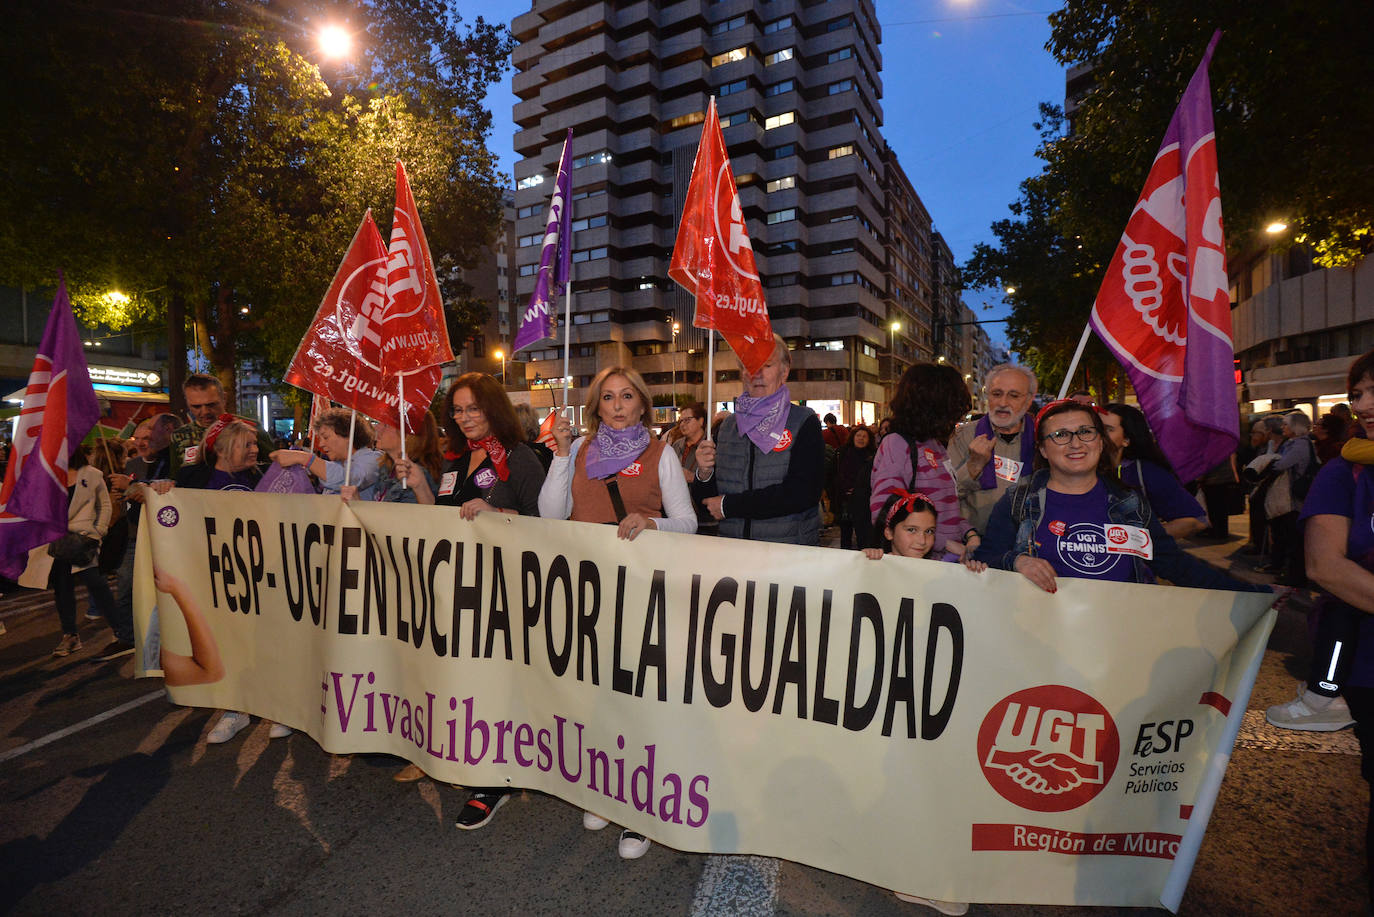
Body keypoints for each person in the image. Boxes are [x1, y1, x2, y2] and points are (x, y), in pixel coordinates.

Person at [542, 365, 695, 860]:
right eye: (608, 397)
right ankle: (605, 790)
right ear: (597, 407)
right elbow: (549, 514)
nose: (618, 404)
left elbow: (689, 523)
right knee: (597, 698)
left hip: (643, 593)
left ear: (642, 404)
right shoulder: (580, 451)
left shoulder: (661, 453)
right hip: (591, 593)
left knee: (639, 701)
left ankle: (641, 810)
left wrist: (651, 523)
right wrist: (562, 456)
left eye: (627, 395)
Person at [974, 399, 1270, 594]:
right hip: (1039, 641)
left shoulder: (1129, 503)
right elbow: (984, 560)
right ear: (1042, 449)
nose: (1075, 443)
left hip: (1117, 645)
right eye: (1060, 435)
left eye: (1086, 432)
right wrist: (1017, 562)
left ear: (1100, 443)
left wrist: (1253, 593)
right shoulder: (1018, 500)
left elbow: (1173, 564)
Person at [1298, 350, 1374, 910]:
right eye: (1360, 392)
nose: (1363, 405)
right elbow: (1325, 566)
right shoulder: (1342, 471)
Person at [173, 418, 291, 743]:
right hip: (215, 576)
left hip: (262, 573)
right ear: (222, 448)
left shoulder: (266, 477)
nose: (255, 450)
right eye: (247, 444)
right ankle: (234, 710)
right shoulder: (192, 478)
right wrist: (158, 493)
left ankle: (278, 707)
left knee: (267, 641)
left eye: (255, 444)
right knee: (227, 642)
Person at [691, 335, 824, 545]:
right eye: (749, 366)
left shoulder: (804, 422)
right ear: (742, 373)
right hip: (735, 554)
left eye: (767, 365)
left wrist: (730, 506)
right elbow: (708, 504)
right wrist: (704, 474)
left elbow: (802, 493)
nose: (757, 374)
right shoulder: (727, 427)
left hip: (787, 555)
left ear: (784, 372)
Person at [870, 362, 979, 559]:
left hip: (942, 562)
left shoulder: (935, 446)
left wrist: (967, 532)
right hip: (918, 565)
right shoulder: (897, 445)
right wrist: (945, 544)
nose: (956, 417)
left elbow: (945, 507)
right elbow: (886, 515)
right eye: (951, 407)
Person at [103, 412, 179, 659]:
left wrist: (134, 488)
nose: (143, 442)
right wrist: (121, 497)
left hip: (167, 539)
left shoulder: (171, 462)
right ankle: (126, 638)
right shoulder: (133, 465)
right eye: (139, 437)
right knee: (125, 588)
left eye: (149, 436)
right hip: (135, 536)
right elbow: (128, 500)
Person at [948, 364, 1039, 536]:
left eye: (1014, 396)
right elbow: (946, 495)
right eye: (997, 394)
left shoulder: (1041, 439)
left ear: (1028, 400)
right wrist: (973, 466)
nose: (1003, 403)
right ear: (987, 395)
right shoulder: (963, 436)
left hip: (1028, 546)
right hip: (975, 545)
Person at [1101, 403, 1207, 539]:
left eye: (1108, 429)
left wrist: (1138, 540)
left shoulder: (1146, 472)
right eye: (1095, 428)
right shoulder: (1074, 471)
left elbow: (1197, 521)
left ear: (1126, 439)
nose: (1099, 435)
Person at [49, 446, 117, 657]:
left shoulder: (92, 474)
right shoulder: (49, 475)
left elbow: (105, 505)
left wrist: (99, 531)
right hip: (57, 540)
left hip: (83, 538)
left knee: (97, 583)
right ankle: (70, 636)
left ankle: (121, 630)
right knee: (62, 588)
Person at [168, 373, 273, 475]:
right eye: (196, 406)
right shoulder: (179, 436)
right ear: (187, 403)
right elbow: (174, 478)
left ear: (224, 398)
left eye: (211, 405)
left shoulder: (249, 427)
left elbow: (274, 467)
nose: (205, 412)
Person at [271, 408, 383, 500]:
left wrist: (305, 458)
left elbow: (350, 479)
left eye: (326, 437)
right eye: (320, 439)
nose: (321, 444)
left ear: (348, 435)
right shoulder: (338, 463)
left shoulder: (374, 459)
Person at [864, 490, 988, 572]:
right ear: (889, 533)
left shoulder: (941, 571)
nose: (922, 541)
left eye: (929, 531)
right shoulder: (876, 563)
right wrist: (863, 560)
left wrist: (972, 574)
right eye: (912, 530)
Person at [1258, 412, 1317, 586]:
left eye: (1286, 424)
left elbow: (1281, 464)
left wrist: (1269, 460)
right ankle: (1290, 572)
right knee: (1289, 537)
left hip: (1294, 499)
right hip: (1290, 498)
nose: (1282, 427)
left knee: (1294, 540)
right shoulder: (1293, 443)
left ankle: (1296, 576)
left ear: (1295, 426)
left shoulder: (1299, 445)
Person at [340, 412, 444, 505]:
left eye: (386, 425)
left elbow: (403, 523)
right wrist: (357, 503)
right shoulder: (386, 470)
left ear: (407, 434)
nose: (376, 428)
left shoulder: (415, 476)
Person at [671, 402, 715, 535]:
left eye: (687, 420)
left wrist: (693, 477)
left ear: (701, 421)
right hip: (679, 514)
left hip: (705, 517)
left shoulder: (711, 446)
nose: (683, 425)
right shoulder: (677, 445)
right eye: (681, 421)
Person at [833, 424, 876, 550]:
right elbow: (833, 474)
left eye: (864, 436)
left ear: (869, 439)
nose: (861, 438)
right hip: (844, 501)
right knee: (845, 535)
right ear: (853, 437)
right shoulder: (842, 452)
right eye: (858, 435)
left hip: (864, 502)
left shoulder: (874, 456)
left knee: (863, 536)